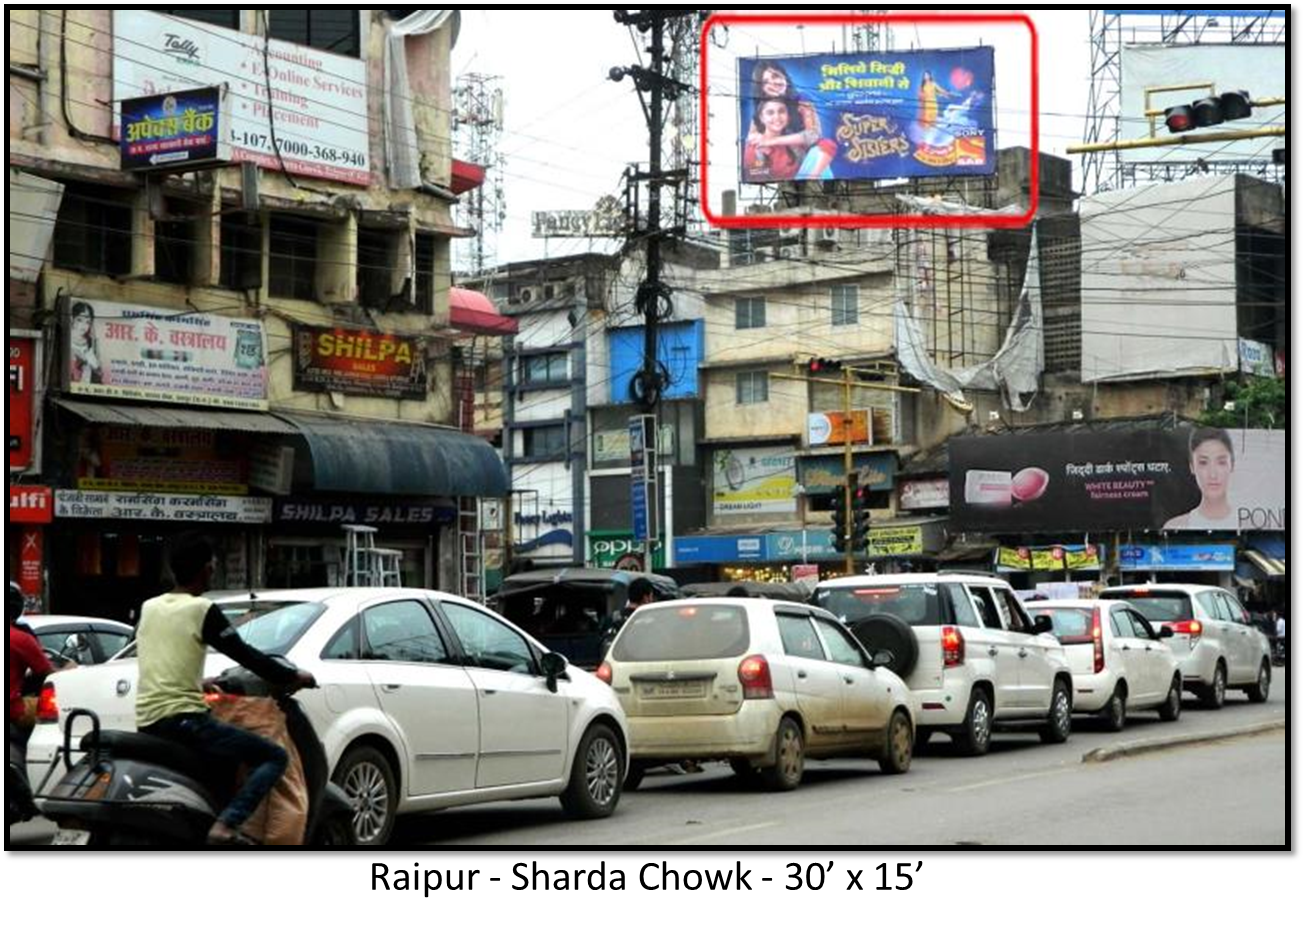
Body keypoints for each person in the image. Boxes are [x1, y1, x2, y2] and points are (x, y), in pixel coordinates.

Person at [134, 534, 315, 845]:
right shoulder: (202, 609)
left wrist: (197, 682)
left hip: (147, 721)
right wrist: (292, 675)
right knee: (273, 757)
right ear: (206, 569)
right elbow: (245, 655)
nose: (213, 570)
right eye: (213, 565)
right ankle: (227, 824)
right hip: (185, 720)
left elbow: (161, 655)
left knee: (224, 764)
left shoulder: (149, 606)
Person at [746, 61, 836, 180]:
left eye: (775, 76)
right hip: (777, 167)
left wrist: (772, 141)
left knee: (821, 151)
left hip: (804, 161)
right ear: (762, 88)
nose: (773, 83)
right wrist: (759, 139)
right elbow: (752, 136)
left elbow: (814, 135)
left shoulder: (801, 100)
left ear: (784, 76)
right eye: (766, 82)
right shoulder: (763, 108)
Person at [1163, 427, 1239, 530]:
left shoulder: (1251, 524)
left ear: (1232, 465)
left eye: (1221, 462)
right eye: (1203, 462)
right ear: (1192, 466)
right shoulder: (1175, 526)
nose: (1213, 474)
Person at [9, 581, 53, 739]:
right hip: (13, 709)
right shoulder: (21, 638)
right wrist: (69, 668)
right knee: (56, 711)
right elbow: (47, 672)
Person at [69, 301, 103, 385]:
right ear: (72, 318)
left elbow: (99, 372)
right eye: (80, 320)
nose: (84, 325)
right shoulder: (66, 340)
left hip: (88, 387)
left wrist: (93, 363)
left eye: (87, 322)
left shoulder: (92, 343)